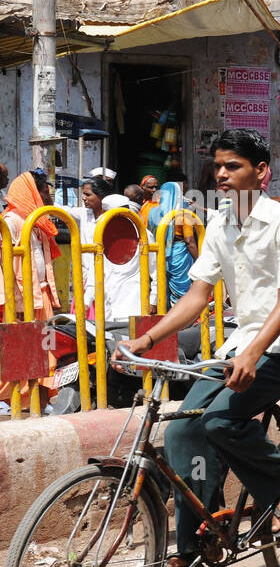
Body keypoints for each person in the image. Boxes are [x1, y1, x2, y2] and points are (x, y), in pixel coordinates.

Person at [115, 128, 280, 567]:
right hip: (241, 345)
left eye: (234, 166)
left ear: (260, 172)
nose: (222, 175)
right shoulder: (221, 224)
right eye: (219, 166)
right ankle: (194, 541)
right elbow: (197, 296)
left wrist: (251, 355)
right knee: (183, 431)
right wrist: (146, 340)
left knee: (221, 420)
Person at [1, 171, 63, 412]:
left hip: (41, 297)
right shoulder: (11, 221)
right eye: (44, 191)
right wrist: (13, 301)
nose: (48, 195)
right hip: (21, 301)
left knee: (45, 352)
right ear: (32, 193)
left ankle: (39, 401)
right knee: (19, 351)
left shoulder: (37, 223)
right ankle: (11, 401)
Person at [74, 178, 157, 321]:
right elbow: (96, 272)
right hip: (107, 311)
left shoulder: (144, 235)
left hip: (134, 308)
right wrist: (86, 300)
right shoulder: (102, 237)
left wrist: (153, 301)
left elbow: (155, 271)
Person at [149, 181, 200, 309]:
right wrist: (199, 260)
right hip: (179, 256)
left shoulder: (152, 212)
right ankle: (181, 320)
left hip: (158, 254)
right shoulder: (183, 214)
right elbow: (189, 241)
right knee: (182, 293)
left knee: (162, 287)